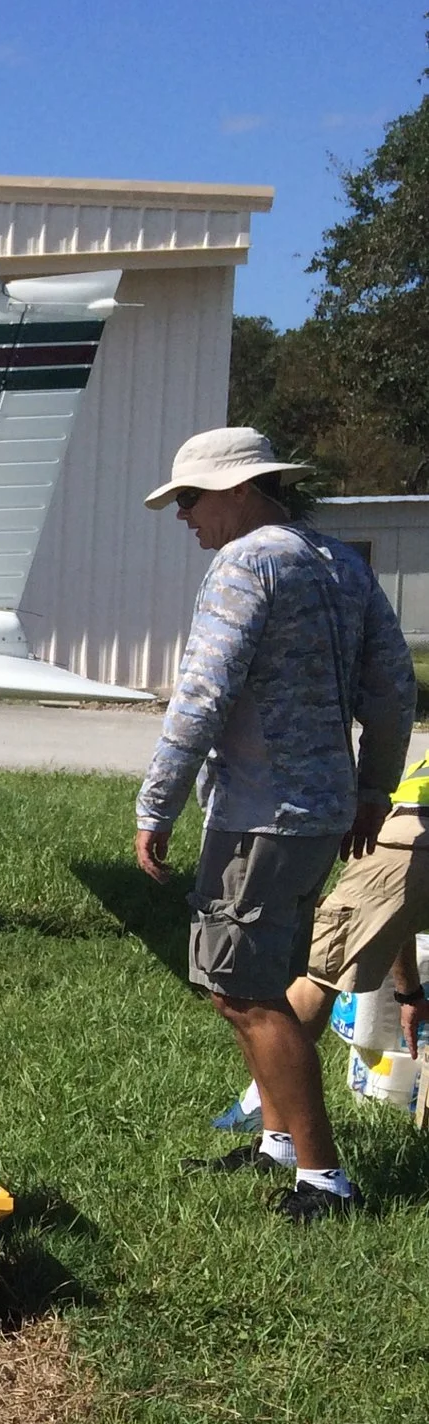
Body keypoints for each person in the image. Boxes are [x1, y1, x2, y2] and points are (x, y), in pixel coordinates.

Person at [134, 427, 415, 1223]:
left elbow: (204, 691)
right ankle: (280, 1142)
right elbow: (392, 686)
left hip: (260, 811)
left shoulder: (246, 562)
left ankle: (325, 1181)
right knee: (251, 985)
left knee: (246, 991)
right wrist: (373, 785)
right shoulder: (342, 563)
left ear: (240, 491)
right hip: (322, 809)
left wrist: (156, 803)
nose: (183, 515)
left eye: (189, 498)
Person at [205, 749, 429, 1141]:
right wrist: (409, 992)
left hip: (411, 827)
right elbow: (400, 913)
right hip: (411, 832)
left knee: (322, 971)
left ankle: (265, 1108)